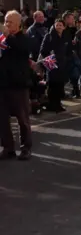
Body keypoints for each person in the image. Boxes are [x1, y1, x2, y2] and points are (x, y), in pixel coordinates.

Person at [0, 11, 35, 160]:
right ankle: (8, 147)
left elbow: (21, 49)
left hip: (19, 85)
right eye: (6, 22)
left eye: (10, 22)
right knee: (2, 119)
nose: (7, 25)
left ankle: (26, 148)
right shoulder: (3, 40)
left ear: (18, 23)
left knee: (22, 119)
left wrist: (8, 36)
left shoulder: (24, 38)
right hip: (3, 84)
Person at [39, 19, 69, 112]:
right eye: (57, 25)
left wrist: (67, 58)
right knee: (52, 85)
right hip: (52, 64)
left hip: (62, 64)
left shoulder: (66, 36)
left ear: (64, 27)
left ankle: (58, 104)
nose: (59, 27)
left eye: (61, 25)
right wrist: (49, 59)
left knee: (60, 85)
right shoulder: (49, 36)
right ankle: (52, 105)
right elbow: (43, 50)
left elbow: (69, 50)